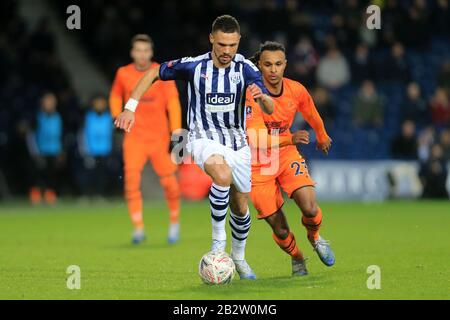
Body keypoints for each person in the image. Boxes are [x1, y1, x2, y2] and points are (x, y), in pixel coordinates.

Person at [115, 15, 274, 279]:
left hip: (237, 144)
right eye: (222, 44)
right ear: (212, 38)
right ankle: (217, 248)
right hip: (202, 138)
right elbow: (154, 72)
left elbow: (269, 106)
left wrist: (263, 99)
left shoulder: (245, 68)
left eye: (232, 45)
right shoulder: (193, 66)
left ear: (238, 42)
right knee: (221, 175)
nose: (226, 51)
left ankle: (239, 258)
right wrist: (130, 107)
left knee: (241, 208)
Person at [246, 41, 335, 276]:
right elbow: (257, 140)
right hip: (257, 163)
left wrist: (322, 135)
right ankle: (297, 257)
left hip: (285, 155)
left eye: (277, 64)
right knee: (280, 227)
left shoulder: (296, 89)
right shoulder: (251, 94)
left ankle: (315, 238)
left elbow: (310, 111)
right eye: (267, 65)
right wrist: (291, 138)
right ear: (259, 66)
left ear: (285, 65)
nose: (273, 69)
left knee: (310, 205)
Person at [109, 34, 182, 244]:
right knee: (131, 181)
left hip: (159, 138)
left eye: (146, 50)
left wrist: (176, 130)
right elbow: (115, 95)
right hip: (134, 138)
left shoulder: (162, 72)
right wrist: (117, 115)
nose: (142, 55)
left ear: (151, 52)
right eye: (138, 50)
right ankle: (138, 228)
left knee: (170, 183)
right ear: (132, 53)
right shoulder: (123, 73)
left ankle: (174, 224)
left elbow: (173, 102)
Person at [28, 92, 63, 205]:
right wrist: (35, 152)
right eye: (47, 102)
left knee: (51, 175)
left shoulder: (58, 117)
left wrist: (60, 150)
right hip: (40, 151)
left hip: (54, 151)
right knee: (38, 174)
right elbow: (31, 136)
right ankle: (35, 196)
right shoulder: (37, 117)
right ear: (42, 103)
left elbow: (60, 135)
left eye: (52, 102)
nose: (50, 104)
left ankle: (50, 196)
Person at [79, 93, 113, 199]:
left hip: (104, 151)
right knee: (88, 174)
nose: (100, 105)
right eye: (97, 103)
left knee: (102, 175)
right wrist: (85, 150)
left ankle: (100, 195)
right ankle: (86, 195)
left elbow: (112, 135)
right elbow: (83, 134)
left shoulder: (109, 117)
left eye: (102, 103)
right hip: (90, 151)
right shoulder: (88, 117)